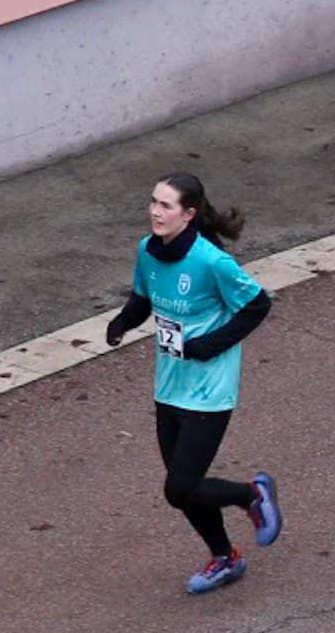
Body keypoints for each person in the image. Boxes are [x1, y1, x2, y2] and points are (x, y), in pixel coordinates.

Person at [106, 172, 284, 592]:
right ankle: (225, 557)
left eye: (166, 206)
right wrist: (121, 323)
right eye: (153, 202)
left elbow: (258, 306)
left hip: (210, 389)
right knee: (186, 491)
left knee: (179, 487)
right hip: (169, 385)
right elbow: (143, 298)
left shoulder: (211, 262)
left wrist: (210, 345)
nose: (155, 212)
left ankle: (251, 495)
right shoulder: (148, 251)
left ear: (189, 214)